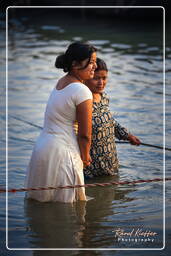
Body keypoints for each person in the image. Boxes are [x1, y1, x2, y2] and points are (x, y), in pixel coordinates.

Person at [25, 42, 97, 203]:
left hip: (42, 148)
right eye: (91, 62)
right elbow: (85, 135)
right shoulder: (82, 90)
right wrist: (85, 158)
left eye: (95, 62)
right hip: (63, 153)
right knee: (69, 212)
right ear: (75, 64)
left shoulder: (61, 82)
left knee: (41, 203)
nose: (95, 66)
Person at [83, 58, 141, 178]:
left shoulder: (103, 97)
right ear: (86, 77)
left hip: (110, 159)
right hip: (91, 165)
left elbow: (110, 121)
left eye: (104, 78)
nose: (101, 82)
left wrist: (127, 136)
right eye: (96, 78)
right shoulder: (83, 101)